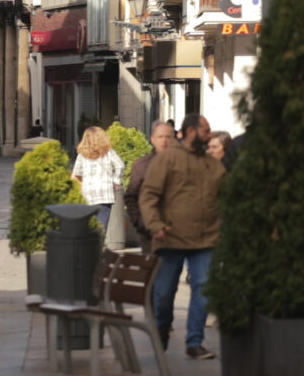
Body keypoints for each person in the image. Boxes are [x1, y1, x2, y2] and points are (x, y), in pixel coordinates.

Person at [140, 113, 224, 360]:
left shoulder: (212, 164)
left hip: (206, 240)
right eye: (205, 131)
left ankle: (194, 341)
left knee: (204, 288)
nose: (209, 136)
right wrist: (155, 224)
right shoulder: (167, 160)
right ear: (190, 132)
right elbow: (149, 195)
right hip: (170, 239)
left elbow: (228, 195)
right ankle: (162, 329)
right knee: (164, 293)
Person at [125, 121, 174, 254]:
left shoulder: (183, 164)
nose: (164, 141)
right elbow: (131, 196)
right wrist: (141, 223)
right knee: (154, 272)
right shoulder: (141, 165)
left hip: (178, 234)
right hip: (150, 234)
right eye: (160, 137)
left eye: (168, 137)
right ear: (152, 139)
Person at [71, 126, 125, 231]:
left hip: (88, 194)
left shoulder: (82, 155)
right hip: (105, 194)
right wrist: (116, 181)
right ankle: (99, 244)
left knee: (89, 226)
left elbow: (77, 173)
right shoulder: (109, 152)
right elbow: (120, 165)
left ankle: (90, 245)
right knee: (102, 226)